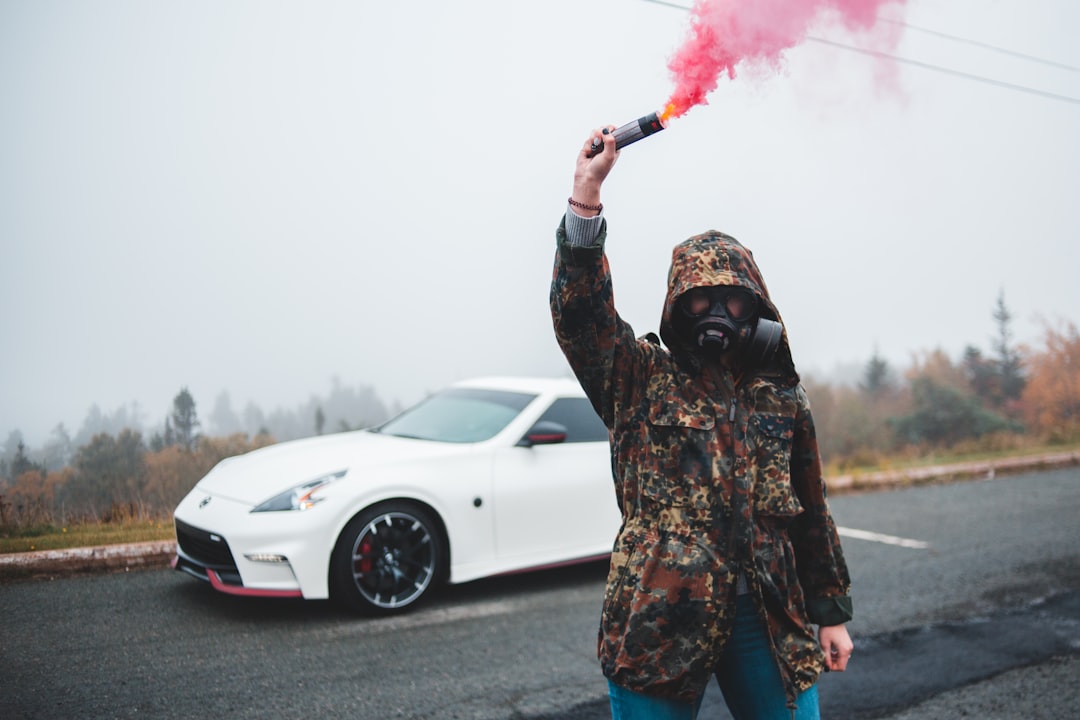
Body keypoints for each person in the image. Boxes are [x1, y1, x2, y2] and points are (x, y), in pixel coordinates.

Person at [549, 125, 854, 720]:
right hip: (659, 619)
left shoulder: (779, 395)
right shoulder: (637, 377)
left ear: (755, 305)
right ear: (676, 303)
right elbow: (581, 316)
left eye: (733, 299)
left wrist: (832, 613)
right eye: (699, 297)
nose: (716, 311)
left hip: (766, 617)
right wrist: (586, 195)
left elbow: (811, 509)